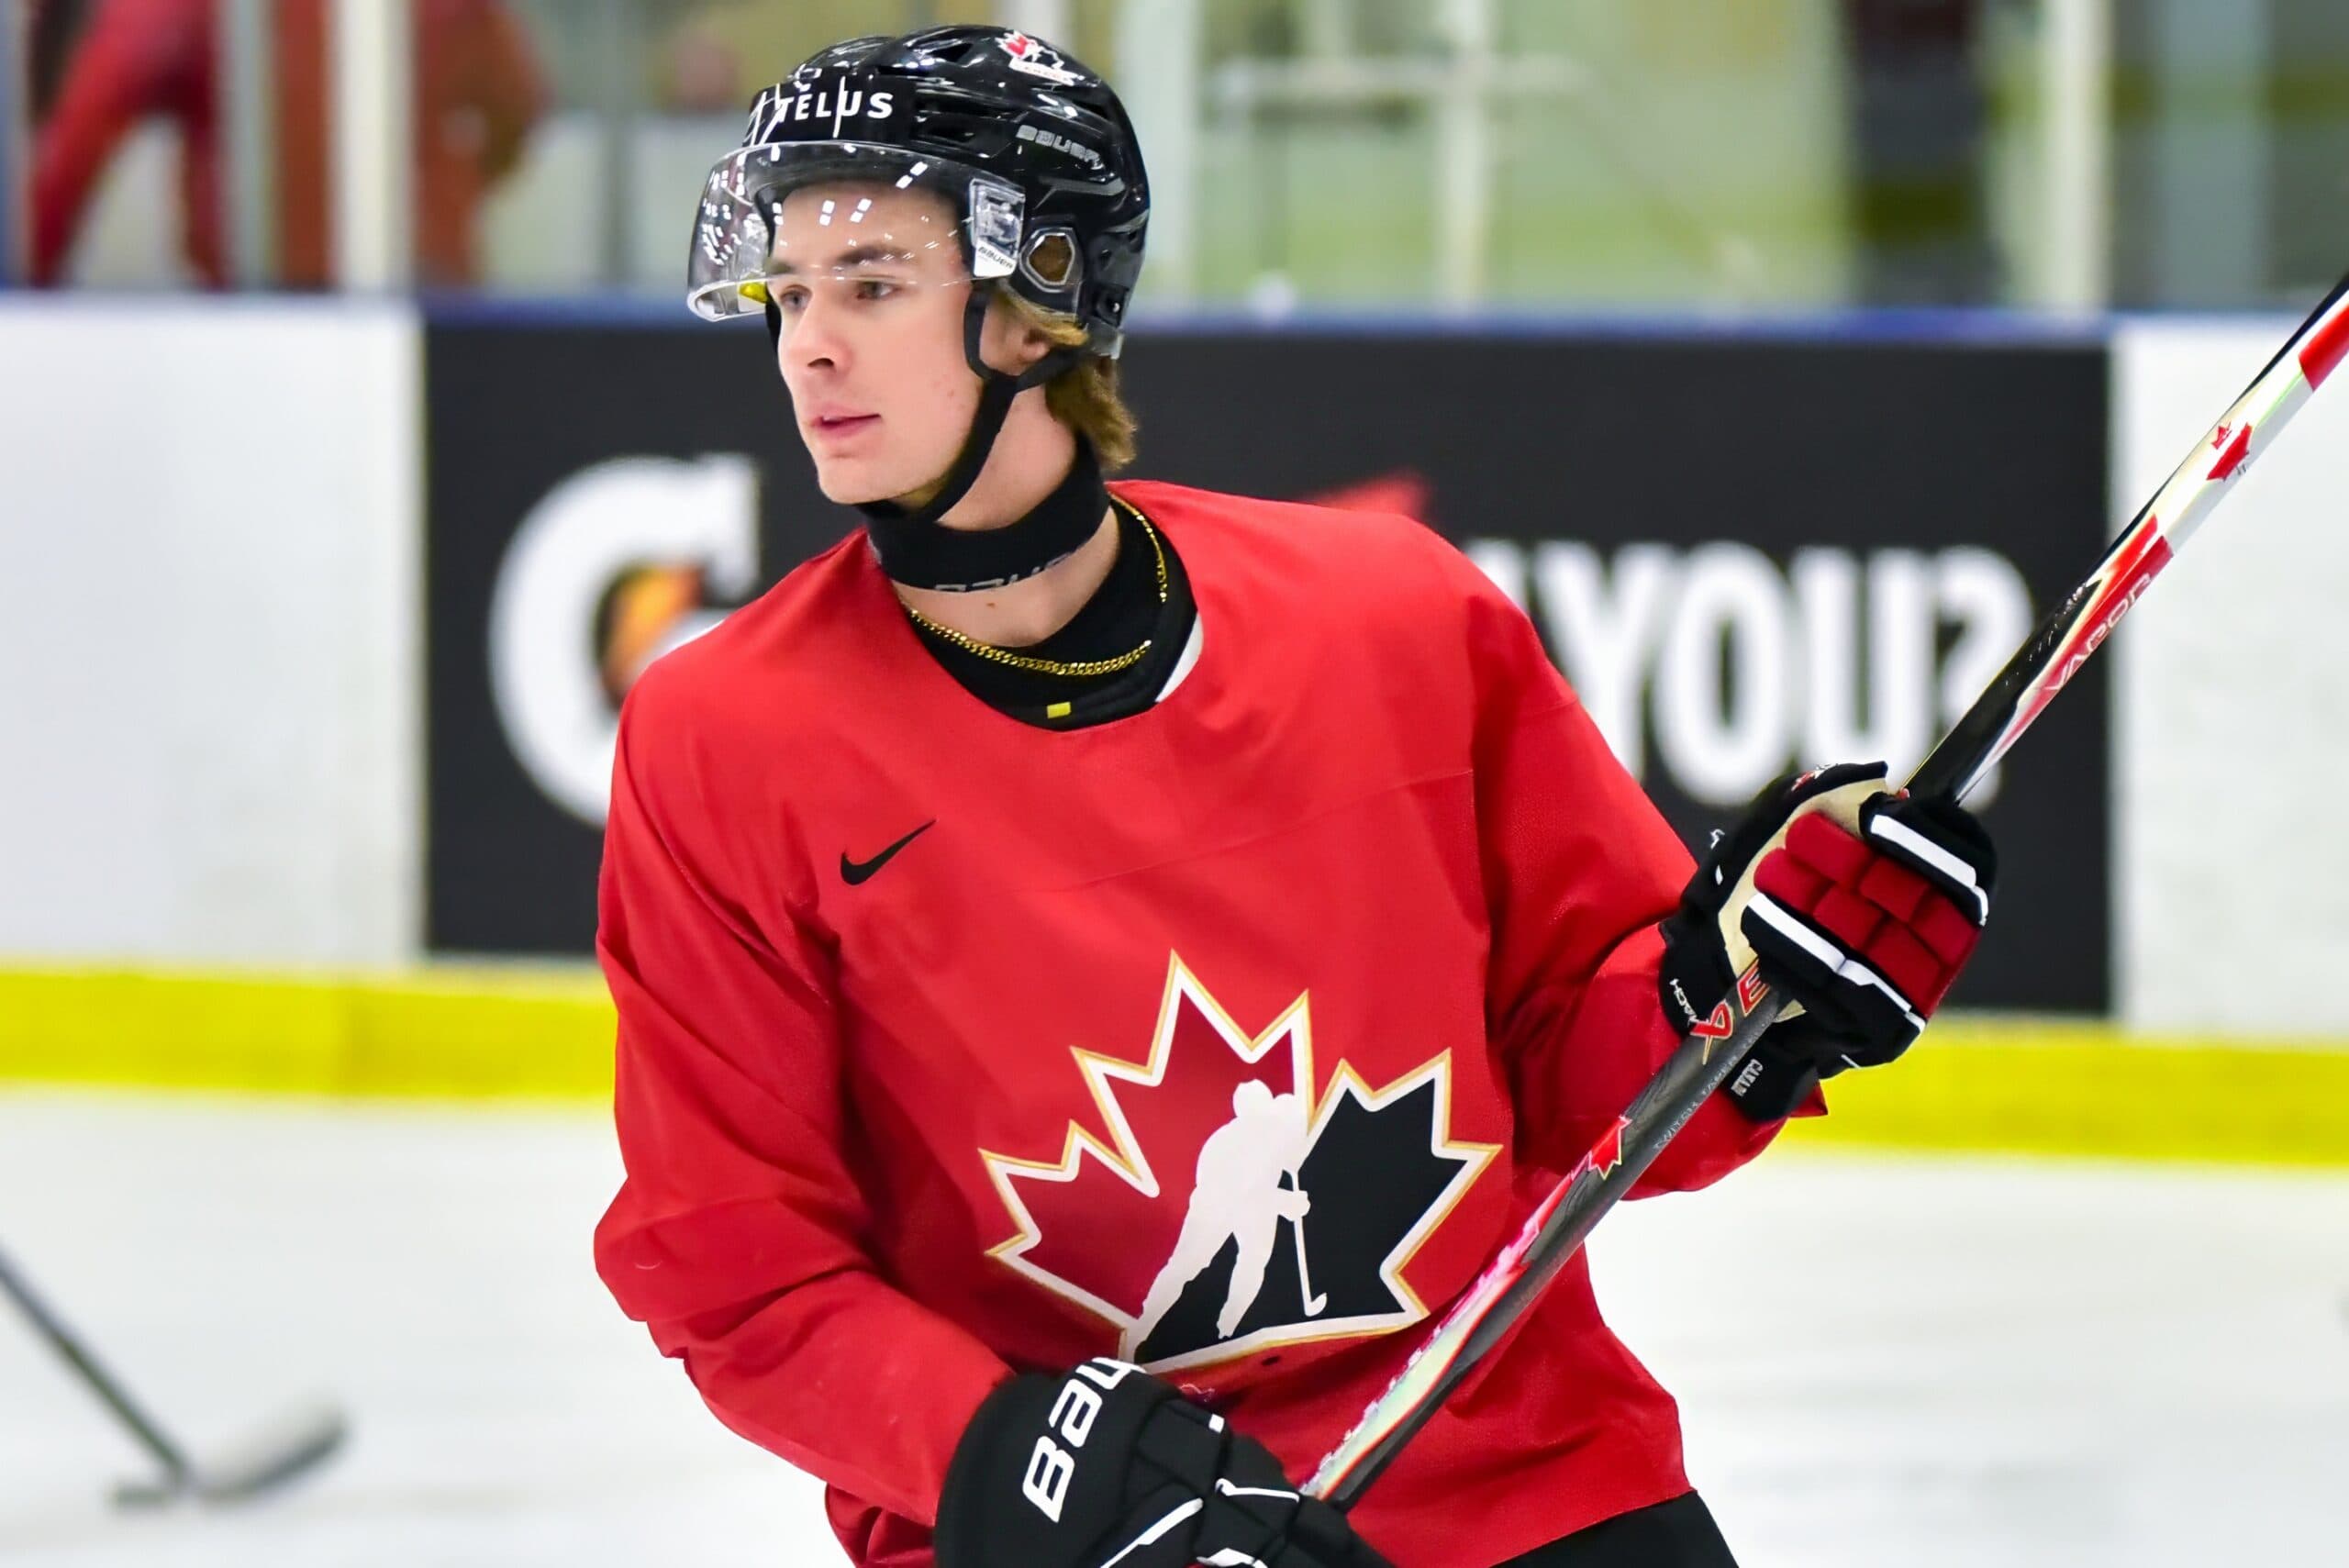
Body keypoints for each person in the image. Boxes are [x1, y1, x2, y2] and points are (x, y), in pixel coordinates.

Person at [593, 26, 1998, 1568]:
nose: (806, 346)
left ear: (1042, 294)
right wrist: (1025, 1461)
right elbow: (740, 1264)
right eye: (788, 293)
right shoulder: (723, 735)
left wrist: (1735, 1007)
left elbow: (1572, 1080)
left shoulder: (1392, 616)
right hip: (1082, 1538)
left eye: (869, 285)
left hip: (1524, 1485)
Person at [29, 0, 542, 288]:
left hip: (255, 302)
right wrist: (449, 196)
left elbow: (73, 154)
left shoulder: (183, 9)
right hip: (427, 285)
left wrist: (30, 296)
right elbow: (518, 109)